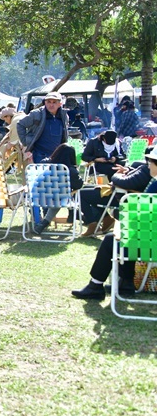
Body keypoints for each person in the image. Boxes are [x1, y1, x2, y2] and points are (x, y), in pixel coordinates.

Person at [71, 150, 157, 300]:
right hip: (148, 239)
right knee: (129, 236)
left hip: (150, 245)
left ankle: (95, 286)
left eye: (151, 162)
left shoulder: (155, 186)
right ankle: (126, 284)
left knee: (113, 240)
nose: (148, 165)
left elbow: (142, 215)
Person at [31, 143, 84, 235]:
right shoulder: (69, 170)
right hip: (58, 199)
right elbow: (78, 185)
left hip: (37, 197)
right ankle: (73, 213)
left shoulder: (44, 164)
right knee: (62, 196)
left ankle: (44, 223)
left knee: (59, 196)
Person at [17, 91, 69, 164]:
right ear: (45, 103)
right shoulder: (36, 114)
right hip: (40, 155)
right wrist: (25, 142)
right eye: (48, 102)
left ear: (60, 104)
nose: (51, 105)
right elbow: (20, 124)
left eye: (54, 102)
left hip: (57, 155)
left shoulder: (64, 116)